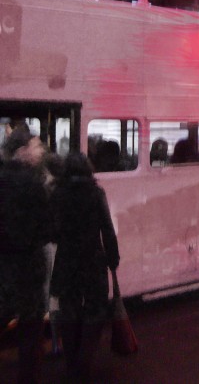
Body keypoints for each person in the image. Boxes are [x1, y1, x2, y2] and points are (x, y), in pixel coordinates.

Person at [50, 152, 120, 381]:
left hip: (67, 259)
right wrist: (113, 257)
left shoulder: (57, 194)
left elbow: (52, 231)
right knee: (95, 310)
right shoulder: (96, 193)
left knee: (68, 309)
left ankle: (72, 363)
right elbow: (107, 229)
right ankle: (84, 362)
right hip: (93, 258)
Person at [0, 127, 51, 384]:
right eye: (35, 145)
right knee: (30, 334)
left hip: (4, 267)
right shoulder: (34, 183)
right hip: (29, 268)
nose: (40, 149)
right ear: (21, 152)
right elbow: (48, 228)